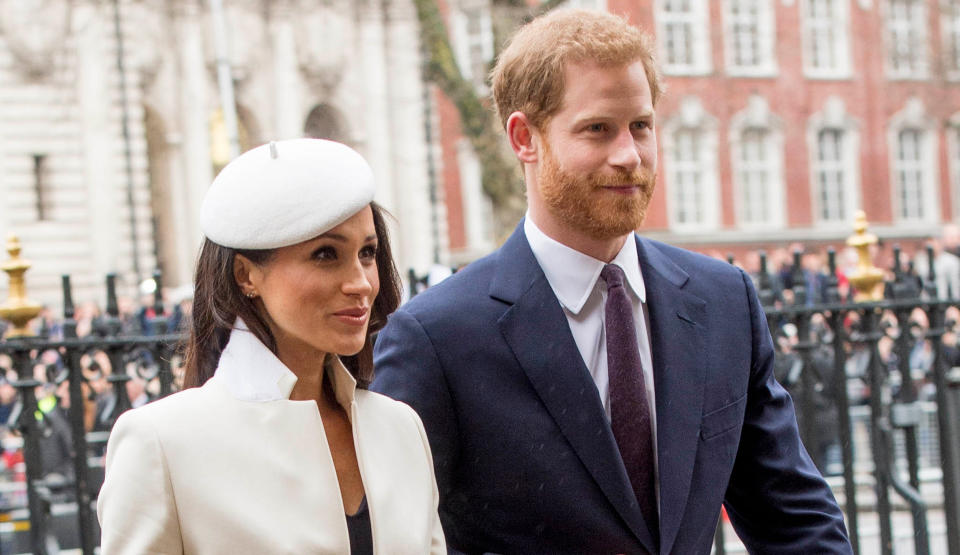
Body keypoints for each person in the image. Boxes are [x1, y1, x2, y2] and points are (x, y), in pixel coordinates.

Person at [372, 9, 851, 554]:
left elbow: (793, 518)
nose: (629, 155)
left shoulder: (724, 303)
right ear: (524, 137)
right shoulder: (435, 338)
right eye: (598, 129)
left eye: (641, 126)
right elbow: (399, 539)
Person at [97, 139, 445, 553]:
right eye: (325, 255)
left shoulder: (400, 428)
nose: (361, 283)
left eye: (367, 253)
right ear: (246, 275)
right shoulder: (161, 443)